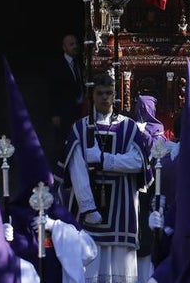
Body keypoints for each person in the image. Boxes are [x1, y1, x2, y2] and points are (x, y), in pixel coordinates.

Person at [58, 73, 149, 283]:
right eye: (100, 94)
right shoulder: (80, 128)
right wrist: (88, 207)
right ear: (92, 96)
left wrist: (104, 159)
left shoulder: (129, 127)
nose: (105, 98)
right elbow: (77, 170)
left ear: (115, 95)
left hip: (122, 210)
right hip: (88, 214)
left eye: (109, 93)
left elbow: (137, 162)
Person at [50, 33, 85, 162]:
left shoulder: (80, 63)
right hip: (64, 110)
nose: (75, 46)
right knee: (64, 140)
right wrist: (54, 114)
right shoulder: (57, 66)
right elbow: (52, 91)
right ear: (64, 48)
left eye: (76, 44)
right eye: (71, 45)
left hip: (79, 109)